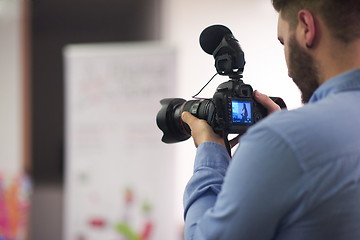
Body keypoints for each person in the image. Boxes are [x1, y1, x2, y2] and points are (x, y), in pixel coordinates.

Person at [181, 0, 360, 239]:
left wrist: (209, 151)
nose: (288, 68)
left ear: (307, 27)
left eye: (283, 42)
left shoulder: (285, 140)